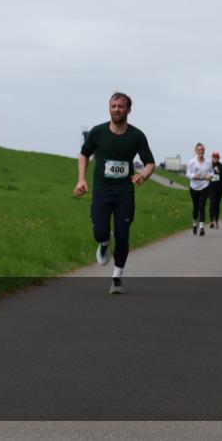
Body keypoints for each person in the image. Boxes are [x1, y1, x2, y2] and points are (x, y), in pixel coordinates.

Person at [74, 92, 156, 295]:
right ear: (109, 108)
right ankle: (104, 243)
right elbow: (84, 154)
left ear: (128, 110)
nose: (116, 110)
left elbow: (150, 163)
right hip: (102, 192)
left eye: (120, 106)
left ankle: (117, 278)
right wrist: (81, 179)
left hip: (124, 194)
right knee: (100, 231)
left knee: (123, 234)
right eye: (113, 106)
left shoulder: (136, 136)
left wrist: (143, 176)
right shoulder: (98, 132)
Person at [186, 143, 213, 236]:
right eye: (199, 150)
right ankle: (194, 224)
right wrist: (194, 176)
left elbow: (211, 172)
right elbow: (188, 174)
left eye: (202, 150)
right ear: (196, 151)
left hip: (205, 185)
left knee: (202, 206)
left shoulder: (209, 162)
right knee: (196, 207)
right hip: (194, 186)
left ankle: (201, 227)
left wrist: (210, 176)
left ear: (204, 151)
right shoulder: (192, 162)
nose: (201, 151)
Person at [207, 151, 222, 229]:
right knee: (212, 203)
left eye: (216, 157)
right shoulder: (208, 165)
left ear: (218, 158)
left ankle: (216, 221)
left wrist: (218, 171)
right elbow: (205, 174)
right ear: (212, 157)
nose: (215, 158)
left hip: (219, 188)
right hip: (210, 188)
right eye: (213, 157)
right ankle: (212, 221)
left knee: (217, 205)